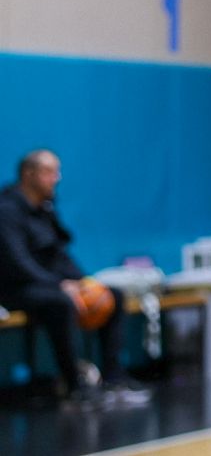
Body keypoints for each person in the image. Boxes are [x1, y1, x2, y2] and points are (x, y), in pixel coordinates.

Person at [0, 151, 150, 407]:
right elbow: (17, 262)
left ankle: (114, 378)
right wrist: (60, 286)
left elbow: (58, 255)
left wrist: (83, 282)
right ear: (29, 174)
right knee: (61, 303)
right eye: (49, 172)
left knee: (112, 295)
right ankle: (74, 385)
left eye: (57, 172)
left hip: (49, 285)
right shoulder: (7, 210)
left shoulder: (44, 209)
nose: (56, 178)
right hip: (16, 289)